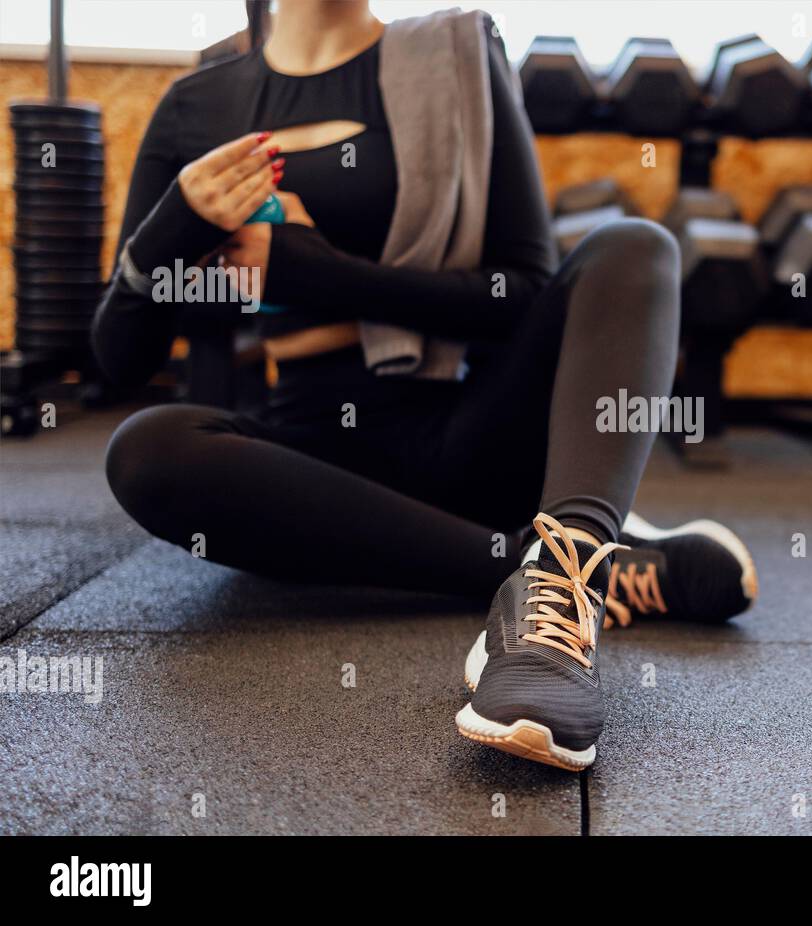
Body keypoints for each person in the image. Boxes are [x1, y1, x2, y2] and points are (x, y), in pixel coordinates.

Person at [92, 0, 756, 771]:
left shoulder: (454, 57)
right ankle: (564, 569)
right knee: (146, 450)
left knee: (635, 247)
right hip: (316, 465)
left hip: (474, 433)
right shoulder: (197, 104)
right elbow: (119, 358)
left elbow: (520, 291)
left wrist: (310, 271)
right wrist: (173, 227)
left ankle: (560, 585)